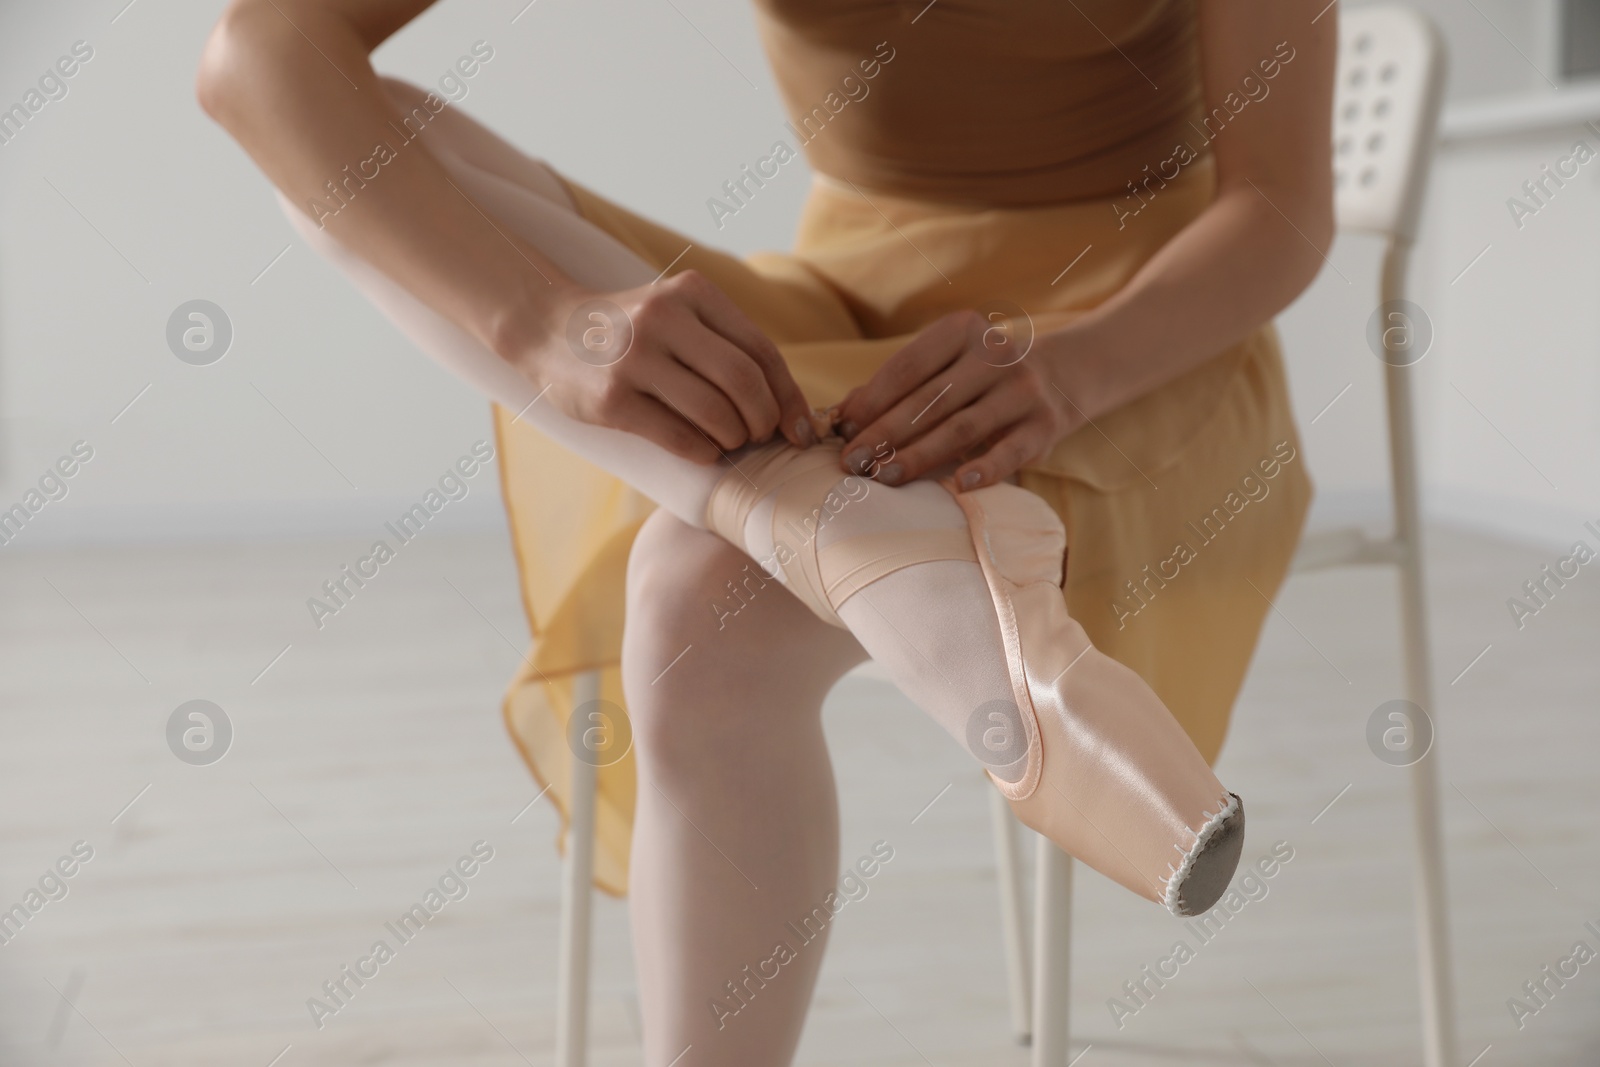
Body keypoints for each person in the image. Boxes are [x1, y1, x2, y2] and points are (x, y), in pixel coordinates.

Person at [197, 0, 1331, 1059]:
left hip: (1131, 331)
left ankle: (869, 553)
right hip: (843, 307)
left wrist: (1072, 370)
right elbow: (259, 52)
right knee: (357, 134)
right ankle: (905, 576)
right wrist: (548, 322)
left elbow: (1277, 208)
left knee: (699, 601)